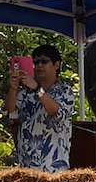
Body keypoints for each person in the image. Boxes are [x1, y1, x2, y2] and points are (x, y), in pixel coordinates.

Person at [6, 44, 75, 172]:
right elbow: (11, 112)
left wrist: (37, 89)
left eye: (44, 61)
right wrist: (13, 88)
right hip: (27, 166)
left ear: (57, 65)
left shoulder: (65, 91)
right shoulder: (26, 93)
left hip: (54, 166)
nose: (39, 65)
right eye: (36, 62)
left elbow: (57, 112)